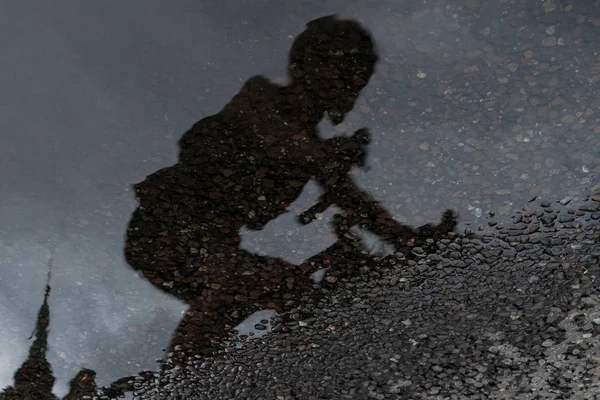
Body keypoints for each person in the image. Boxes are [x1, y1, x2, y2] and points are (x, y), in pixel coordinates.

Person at [124, 15, 456, 364]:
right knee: (260, 285)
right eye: (343, 74)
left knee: (285, 293)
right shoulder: (259, 98)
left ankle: (239, 373)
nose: (350, 89)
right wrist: (325, 156)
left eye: (357, 81)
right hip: (165, 233)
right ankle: (183, 381)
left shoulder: (311, 147)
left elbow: (352, 200)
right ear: (309, 66)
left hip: (207, 246)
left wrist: (407, 240)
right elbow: (282, 139)